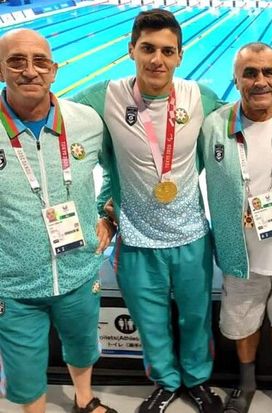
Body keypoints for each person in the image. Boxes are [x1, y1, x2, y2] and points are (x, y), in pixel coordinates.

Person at [73, 10, 223, 413]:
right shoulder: (103, 97)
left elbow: (241, 135)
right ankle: (166, 382)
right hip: (136, 238)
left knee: (196, 318)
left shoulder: (200, 97)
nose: (157, 59)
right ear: (131, 50)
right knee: (150, 322)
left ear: (180, 56)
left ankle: (197, 380)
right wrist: (103, 211)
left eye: (167, 51)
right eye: (148, 49)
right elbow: (60, 130)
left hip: (191, 236)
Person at [0, 29, 116, 413]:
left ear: (54, 70)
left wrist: (108, 216)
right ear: (1, 70)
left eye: (40, 62)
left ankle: (85, 400)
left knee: (82, 346)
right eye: (17, 61)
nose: (29, 70)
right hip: (12, 283)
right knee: (24, 371)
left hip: (78, 271)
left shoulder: (86, 121)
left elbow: (117, 173)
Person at [200, 42, 272, 413]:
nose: (260, 81)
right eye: (249, 73)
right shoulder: (213, 126)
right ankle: (246, 383)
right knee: (242, 322)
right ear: (236, 80)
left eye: (268, 72)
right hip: (241, 253)